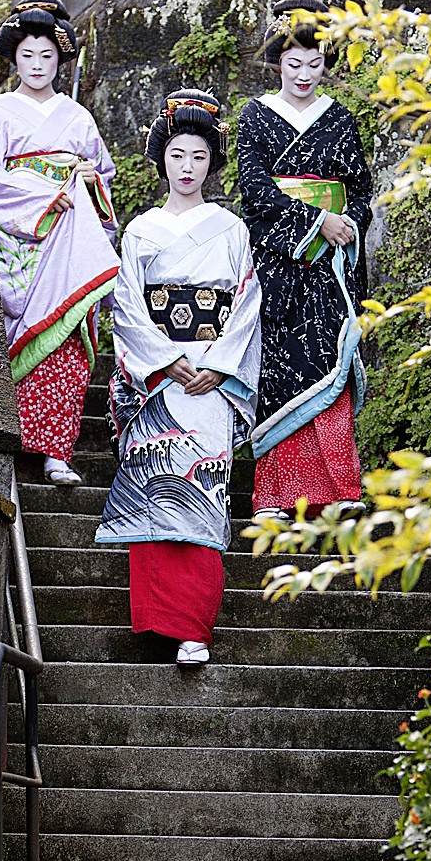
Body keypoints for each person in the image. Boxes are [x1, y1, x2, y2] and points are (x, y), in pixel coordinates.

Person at [96, 90, 261, 667]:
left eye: (198, 156)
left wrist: (219, 366)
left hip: (210, 377)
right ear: (161, 159)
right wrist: (163, 360)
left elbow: (246, 303)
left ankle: (193, 628)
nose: (187, 167)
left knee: (202, 491)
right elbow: (126, 306)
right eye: (177, 155)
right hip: (159, 379)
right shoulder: (141, 230)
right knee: (152, 494)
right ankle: (155, 621)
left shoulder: (232, 229)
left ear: (212, 163)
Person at [236, 0, 372, 518]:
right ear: (278, 62)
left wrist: (346, 224)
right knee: (279, 365)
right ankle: (275, 495)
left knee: (330, 360)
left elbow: (359, 189)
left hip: (330, 265)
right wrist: (316, 221)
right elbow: (254, 189)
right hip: (279, 261)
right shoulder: (256, 117)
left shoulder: (340, 119)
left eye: (315, 64)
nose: (304, 75)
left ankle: (338, 490)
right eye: (294, 63)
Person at [0, 0, 119, 486]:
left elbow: (103, 175)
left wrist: (88, 181)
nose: (37, 65)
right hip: (21, 240)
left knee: (68, 340)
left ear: (61, 59)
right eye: (27, 55)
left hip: (71, 237)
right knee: (23, 334)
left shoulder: (78, 117)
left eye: (47, 55)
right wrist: (42, 198)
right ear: (14, 58)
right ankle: (14, 444)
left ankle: (58, 452)